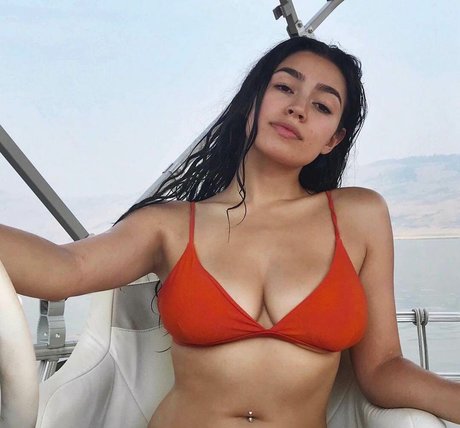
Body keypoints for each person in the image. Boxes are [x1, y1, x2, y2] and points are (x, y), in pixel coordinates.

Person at [1, 36, 459, 427]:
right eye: (285, 87)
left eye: (321, 105)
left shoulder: (359, 216)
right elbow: (65, 268)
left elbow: (382, 369)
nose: (298, 109)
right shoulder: (171, 225)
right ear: (252, 103)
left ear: (333, 139)